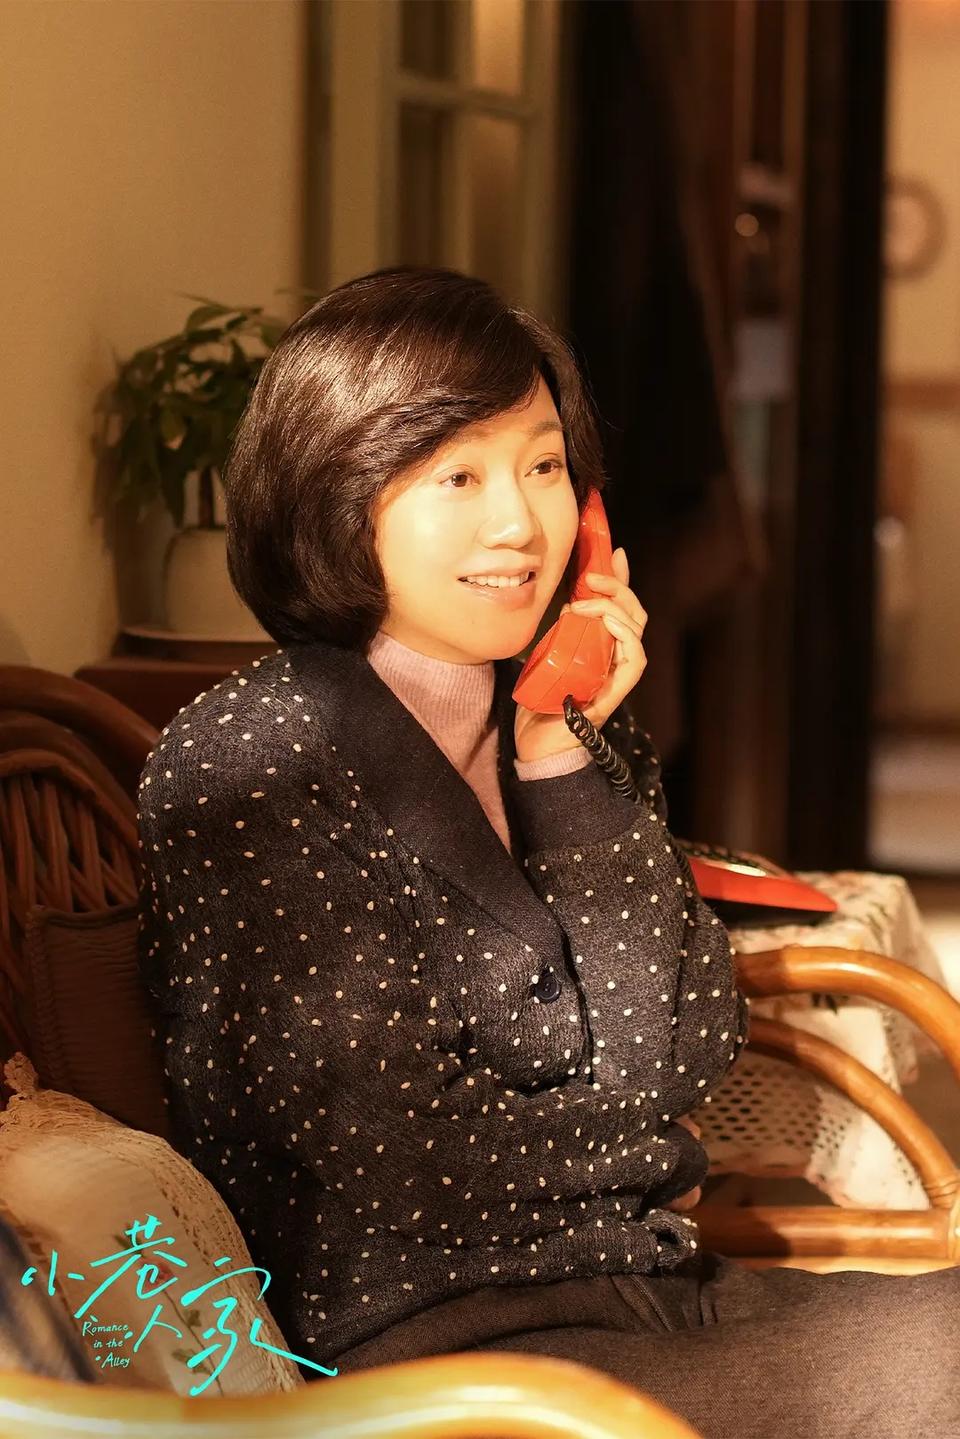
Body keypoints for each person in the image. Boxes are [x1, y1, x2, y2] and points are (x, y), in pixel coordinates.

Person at [136, 267, 958, 1438]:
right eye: (458, 476)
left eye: (543, 466)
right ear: (337, 495)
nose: (520, 524)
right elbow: (404, 1157)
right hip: (448, 1355)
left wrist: (565, 771)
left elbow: (690, 1038)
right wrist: (648, 1148)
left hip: (653, 1287)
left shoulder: (567, 724)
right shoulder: (254, 757)